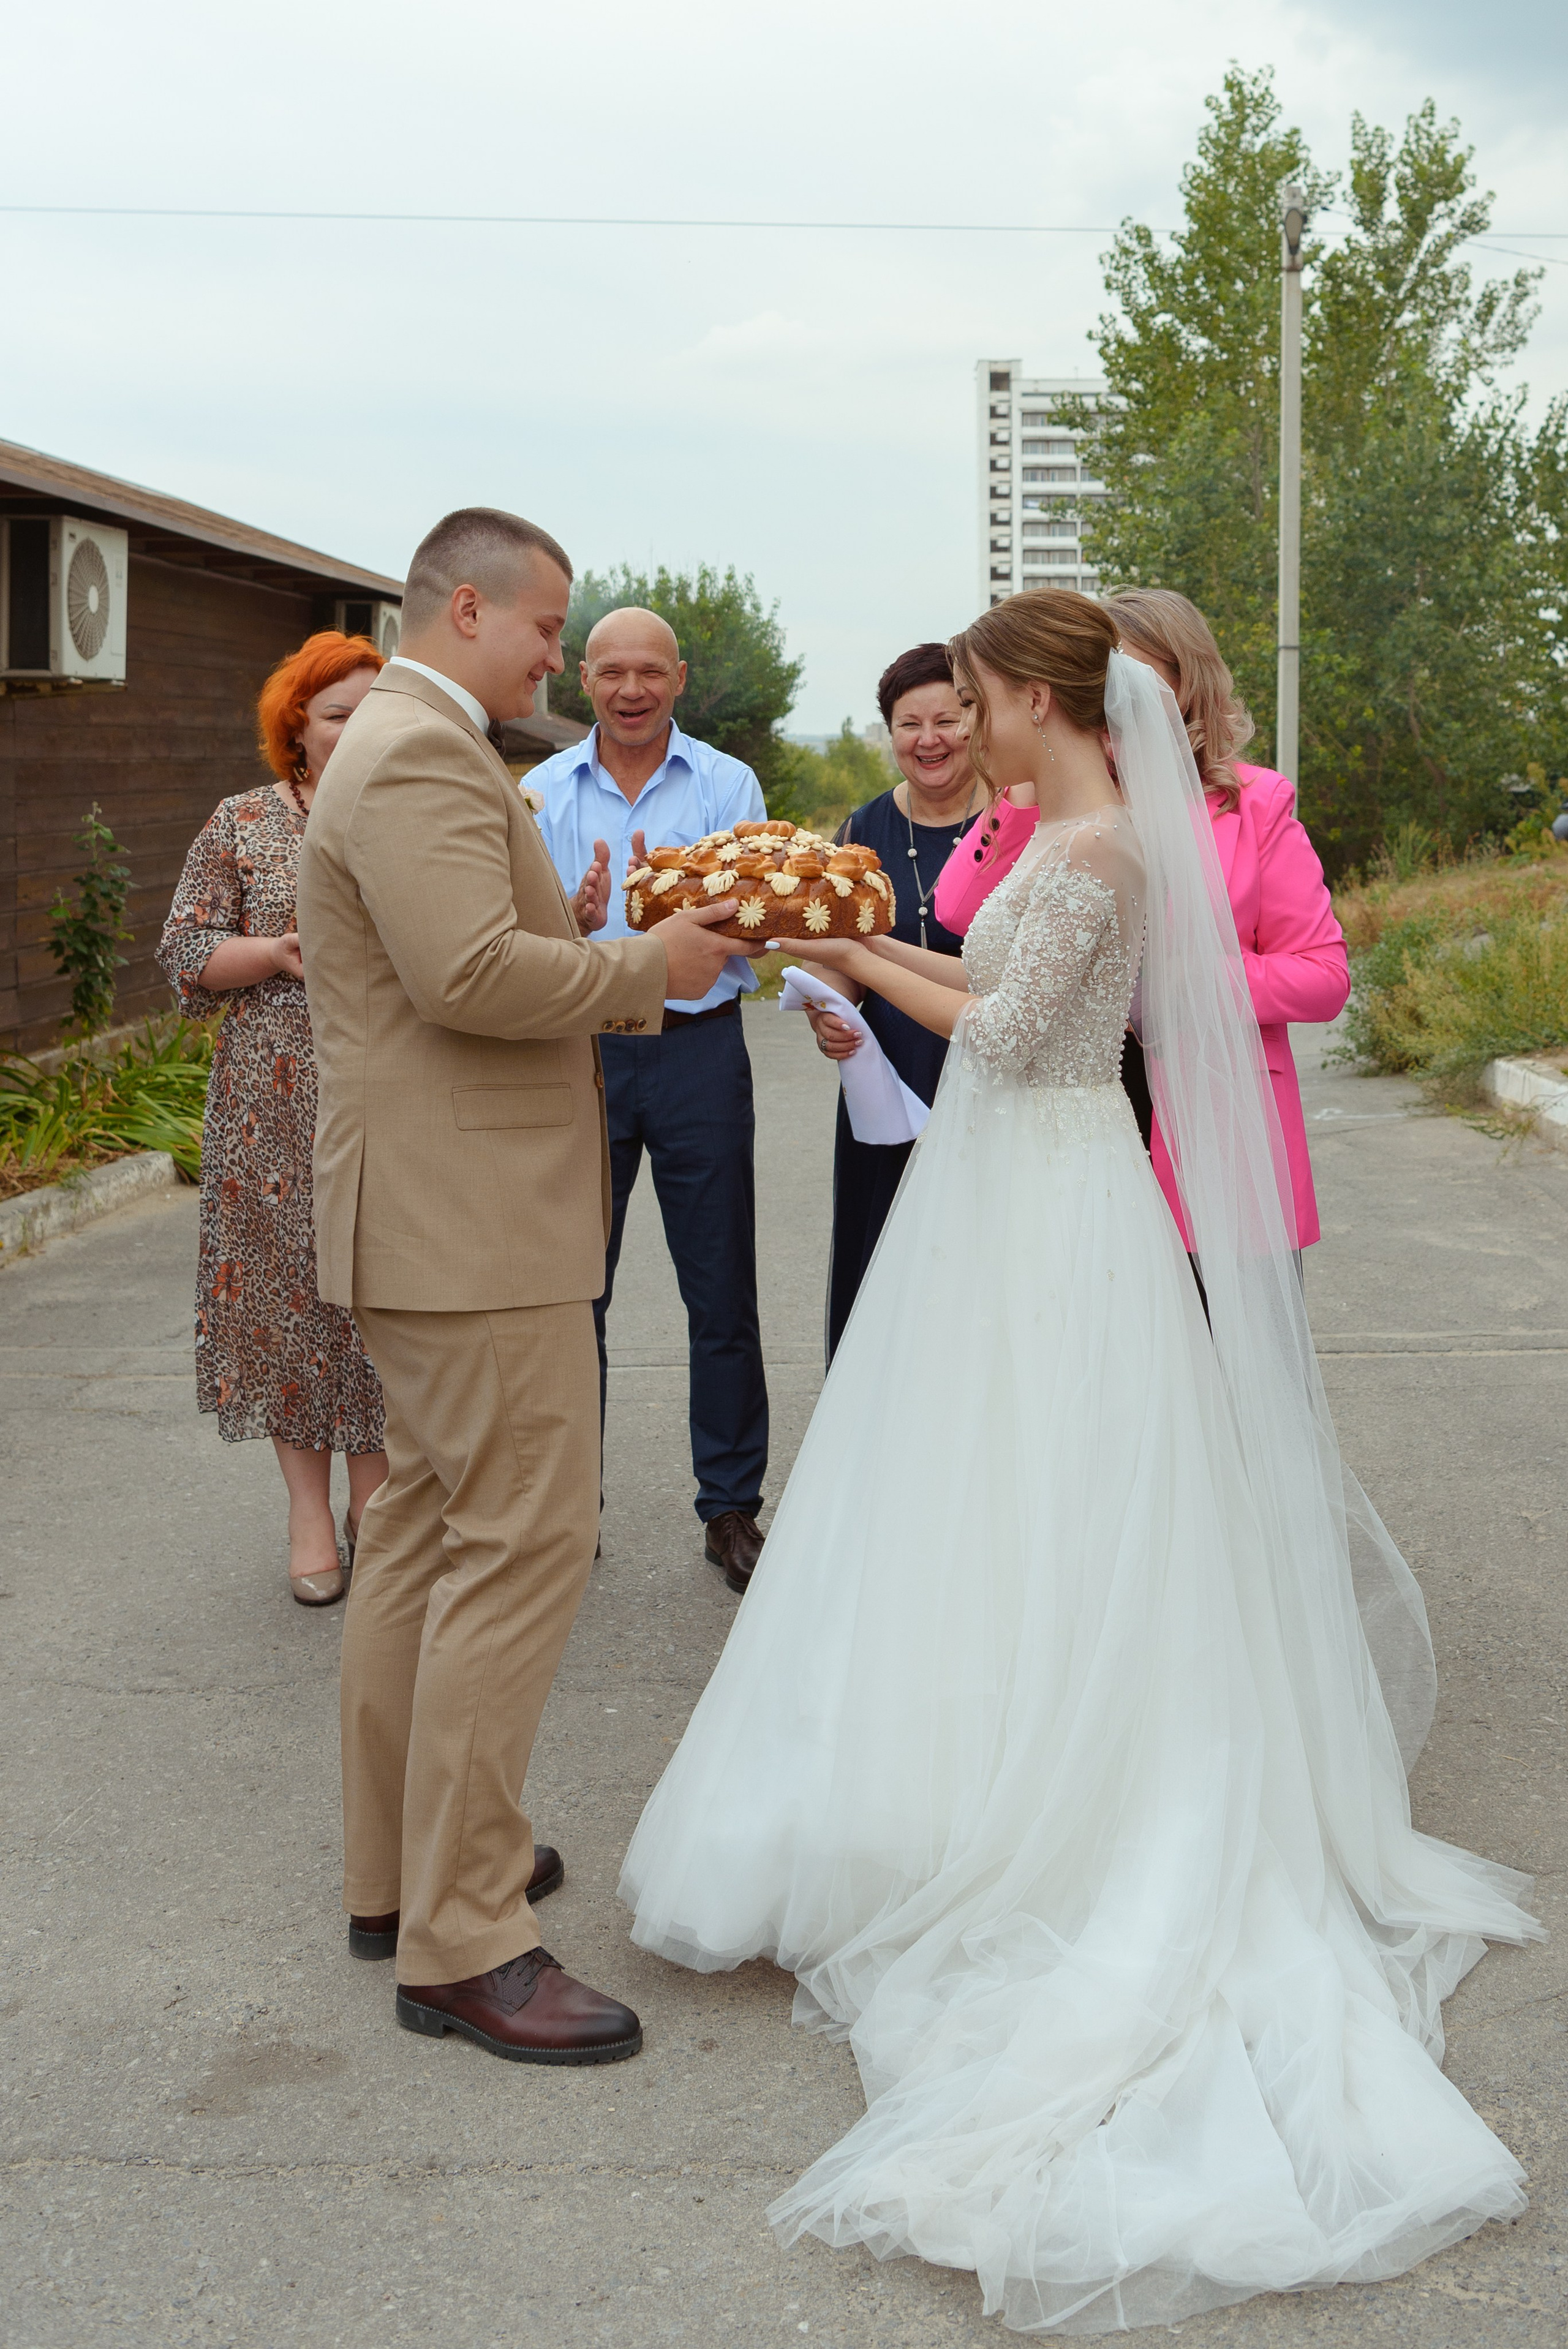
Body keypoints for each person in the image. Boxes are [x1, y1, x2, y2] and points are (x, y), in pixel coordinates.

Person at [620, 589, 1539, 2328]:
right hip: (1001, 1193)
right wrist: (838, 944)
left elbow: (1018, 1035)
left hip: (1053, 1198)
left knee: (1051, 1498)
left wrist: (841, 958)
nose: (962, 717)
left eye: (977, 693)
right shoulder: (1058, 834)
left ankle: (1050, 1801)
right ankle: (952, 1776)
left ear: (1041, 698)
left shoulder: (1108, 849)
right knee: (971, 1507)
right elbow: (980, 980)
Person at [295, 509, 745, 2064]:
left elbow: (461, 955)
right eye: (550, 626)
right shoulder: (421, 751)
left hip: (435, 1214)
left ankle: (400, 1871)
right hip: (470, 1224)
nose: (561, 656)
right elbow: (468, 975)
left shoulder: (412, 742)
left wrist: (606, 937)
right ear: (469, 607)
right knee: (521, 1544)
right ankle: (467, 1935)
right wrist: (647, 966)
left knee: (427, 1527)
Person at [533, 608, 771, 1596]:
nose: (631, 690)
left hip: (697, 1050)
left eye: (650, 672)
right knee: (570, 1287)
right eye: (611, 672)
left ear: (678, 678)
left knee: (719, 1288)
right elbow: (521, 939)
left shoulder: (726, 784)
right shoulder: (541, 791)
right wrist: (578, 919)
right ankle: (565, 1510)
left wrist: (677, 913)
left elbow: (758, 918)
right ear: (583, 679)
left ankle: (731, 1505)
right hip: (579, 1052)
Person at [157, 632, 389, 1607]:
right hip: (273, 1105)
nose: (357, 728)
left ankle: (378, 1501)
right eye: (338, 713)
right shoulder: (243, 820)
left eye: (374, 712)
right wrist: (275, 951)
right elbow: (185, 952)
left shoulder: (409, 811)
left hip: (391, 1091)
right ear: (297, 725)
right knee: (288, 1303)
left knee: (381, 1296)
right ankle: (308, 1513)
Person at [801, 644, 984, 1357]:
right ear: (890, 733)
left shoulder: (1016, 821)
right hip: (886, 1083)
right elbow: (837, 952)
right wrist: (828, 1011)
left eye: (946, 720)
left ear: (975, 720)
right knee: (880, 1263)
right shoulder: (859, 833)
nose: (929, 740)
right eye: (910, 724)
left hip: (987, 1072)